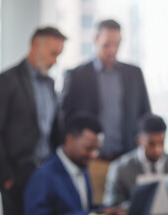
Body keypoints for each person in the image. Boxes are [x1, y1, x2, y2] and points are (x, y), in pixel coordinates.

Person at [62, 19, 151, 204]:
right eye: (106, 45)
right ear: (95, 39)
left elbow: (145, 115)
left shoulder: (134, 74)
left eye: (116, 44)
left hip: (126, 161)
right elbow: (65, 120)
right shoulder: (77, 75)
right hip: (93, 161)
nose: (112, 50)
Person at [0, 27, 66, 215]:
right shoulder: (6, 81)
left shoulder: (50, 84)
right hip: (17, 176)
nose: (55, 61)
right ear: (35, 46)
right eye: (53, 53)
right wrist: (5, 176)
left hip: (46, 174)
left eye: (58, 55)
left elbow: (54, 132)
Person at [24, 114, 126, 215]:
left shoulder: (81, 167)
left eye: (97, 149)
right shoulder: (44, 176)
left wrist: (104, 211)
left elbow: (81, 208)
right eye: (88, 148)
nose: (94, 155)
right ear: (70, 140)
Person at [103, 114, 168, 207]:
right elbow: (112, 205)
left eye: (161, 143)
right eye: (151, 144)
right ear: (139, 140)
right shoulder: (120, 168)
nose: (157, 150)